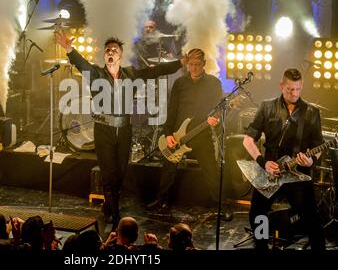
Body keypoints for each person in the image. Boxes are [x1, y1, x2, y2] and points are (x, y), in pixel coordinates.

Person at [55, 30, 186, 230]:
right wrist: (69, 48)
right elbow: (81, 64)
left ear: (120, 56)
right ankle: (115, 216)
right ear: (105, 55)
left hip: (124, 130)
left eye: (114, 50)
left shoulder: (131, 74)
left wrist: (180, 63)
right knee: (109, 174)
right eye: (108, 50)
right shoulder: (97, 73)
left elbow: (155, 71)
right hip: (104, 130)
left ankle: (108, 207)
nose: (111, 52)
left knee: (120, 173)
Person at [242, 68, 325, 250]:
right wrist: (263, 162)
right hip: (269, 171)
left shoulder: (311, 112)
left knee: (311, 216)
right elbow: (248, 140)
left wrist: (311, 161)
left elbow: (318, 144)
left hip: (297, 172)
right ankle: (261, 246)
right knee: (258, 213)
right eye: (289, 89)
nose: (294, 94)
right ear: (281, 86)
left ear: (301, 87)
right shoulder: (266, 107)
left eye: (297, 89)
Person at [146, 48, 233, 221]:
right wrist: (168, 133)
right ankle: (161, 201)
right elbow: (172, 109)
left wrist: (215, 119)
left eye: (197, 65)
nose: (193, 68)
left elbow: (218, 108)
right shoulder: (179, 83)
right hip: (179, 135)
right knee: (168, 169)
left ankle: (221, 206)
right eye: (190, 64)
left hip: (201, 134)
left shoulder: (213, 83)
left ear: (204, 65)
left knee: (211, 170)